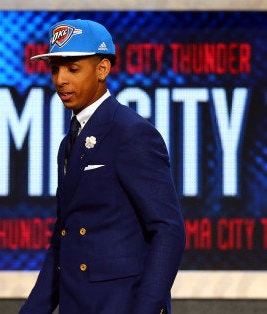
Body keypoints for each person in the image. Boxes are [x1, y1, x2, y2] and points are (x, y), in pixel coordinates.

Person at [19, 19, 186, 314]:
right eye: (55, 68)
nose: (60, 80)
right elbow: (64, 238)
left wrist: (146, 308)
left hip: (120, 304)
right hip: (78, 303)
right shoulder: (68, 143)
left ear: (102, 69)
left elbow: (168, 230)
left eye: (72, 68)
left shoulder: (130, 133)